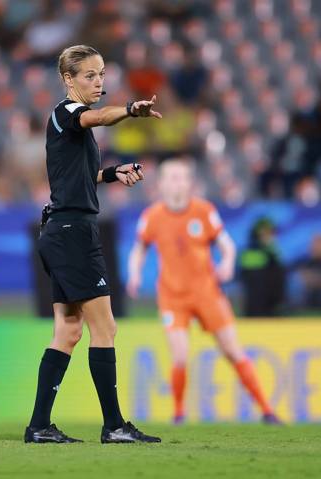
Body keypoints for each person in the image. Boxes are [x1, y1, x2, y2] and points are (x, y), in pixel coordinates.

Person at [26, 45, 162, 445]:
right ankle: (115, 426)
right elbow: (98, 117)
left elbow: (78, 178)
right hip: (73, 234)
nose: (98, 81)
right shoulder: (68, 112)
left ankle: (38, 427)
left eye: (101, 74)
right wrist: (131, 110)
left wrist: (111, 173)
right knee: (105, 327)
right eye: (89, 75)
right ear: (69, 80)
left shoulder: (69, 125)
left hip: (61, 229)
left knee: (68, 331)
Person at [127, 158, 281, 425]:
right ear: (161, 184)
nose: (176, 182)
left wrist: (228, 262)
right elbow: (139, 248)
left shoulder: (203, 211)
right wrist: (135, 274)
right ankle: (178, 414)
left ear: (190, 183)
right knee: (180, 355)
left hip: (207, 292)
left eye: (181, 176)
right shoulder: (152, 216)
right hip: (172, 297)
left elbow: (226, 245)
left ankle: (267, 410)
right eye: (171, 177)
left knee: (233, 351)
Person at [239, 217, 286, 317]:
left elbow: (279, 275)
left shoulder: (274, 252)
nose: (270, 237)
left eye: (271, 233)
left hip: (273, 304)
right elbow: (253, 276)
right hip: (255, 304)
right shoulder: (250, 252)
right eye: (265, 234)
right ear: (257, 234)